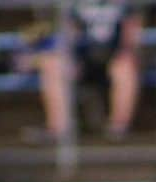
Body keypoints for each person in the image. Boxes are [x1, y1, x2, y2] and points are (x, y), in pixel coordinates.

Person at [17, 1, 143, 141]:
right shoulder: (75, 4)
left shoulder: (125, 4)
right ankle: (58, 128)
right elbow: (70, 35)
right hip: (83, 61)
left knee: (126, 66)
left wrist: (124, 53)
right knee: (51, 64)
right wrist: (71, 58)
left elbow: (131, 38)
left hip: (114, 58)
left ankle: (118, 128)